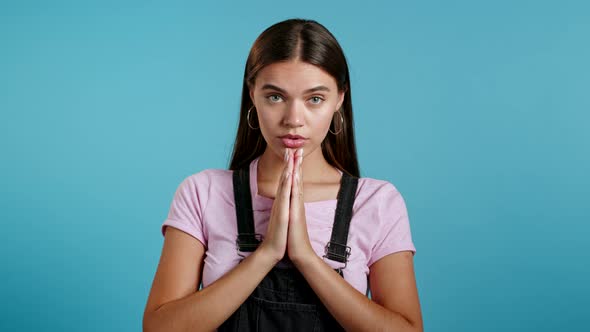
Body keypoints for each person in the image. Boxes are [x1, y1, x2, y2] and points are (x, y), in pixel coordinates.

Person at [143, 18, 423, 331]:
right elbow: (159, 327)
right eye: (275, 96)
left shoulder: (377, 202)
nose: (293, 119)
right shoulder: (201, 193)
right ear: (252, 94)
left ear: (339, 99)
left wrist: (305, 256)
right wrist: (267, 254)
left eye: (314, 99)